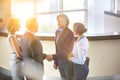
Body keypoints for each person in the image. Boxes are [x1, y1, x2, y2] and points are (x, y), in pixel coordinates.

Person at [47, 14, 74, 80]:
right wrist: (55, 62)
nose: (58, 22)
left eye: (61, 21)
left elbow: (67, 51)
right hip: (60, 61)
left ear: (66, 22)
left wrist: (53, 57)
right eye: (58, 21)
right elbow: (57, 49)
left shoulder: (69, 33)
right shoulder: (57, 32)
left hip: (67, 62)